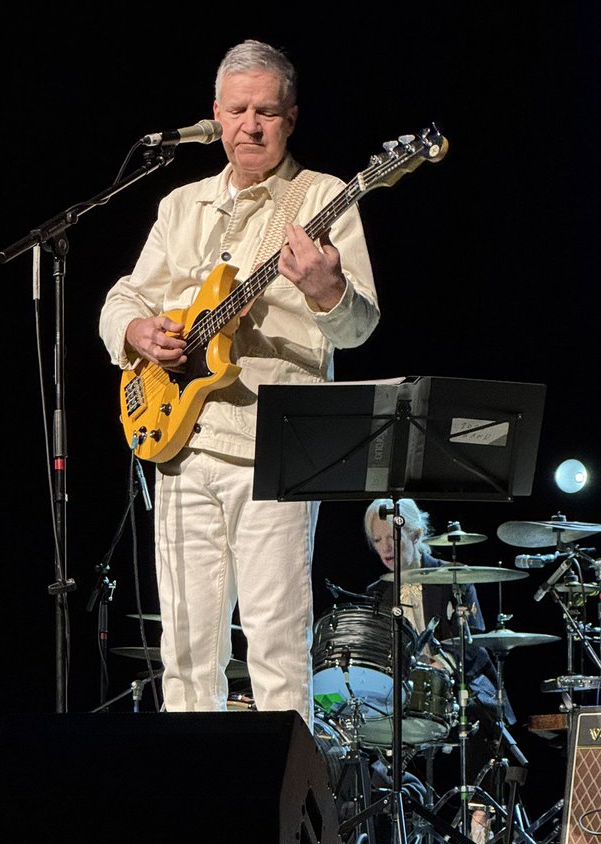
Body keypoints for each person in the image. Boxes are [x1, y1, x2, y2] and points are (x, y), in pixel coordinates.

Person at [98, 39, 379, 729]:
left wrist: (327, 290)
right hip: (182, 446)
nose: (251, 125)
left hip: (276, 452)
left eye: (267, 112)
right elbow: (124, 298)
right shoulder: (181, 204)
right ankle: (193, 793)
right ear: (216, 115)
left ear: (291, 118)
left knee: (276, 650)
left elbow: (358, 328)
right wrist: (138, 333)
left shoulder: (323, 197)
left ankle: (281, 797)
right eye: (238, 110)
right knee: (186, 655)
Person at [362, 498, 519, 844]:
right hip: (405, 692)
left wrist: (440, 666)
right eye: (377, 540)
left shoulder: (454, 577)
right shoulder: (377, 593)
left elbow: (474, 643)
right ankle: (390, 837)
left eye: (392, 537)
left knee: (482, 716)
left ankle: (482, 823)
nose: (385, 547)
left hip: (456, 683)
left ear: (416, 534)